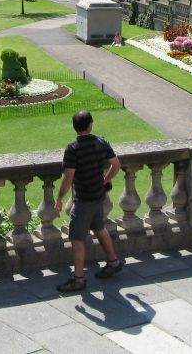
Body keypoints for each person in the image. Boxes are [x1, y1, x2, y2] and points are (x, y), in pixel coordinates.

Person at [54, 110, 123, 293]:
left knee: (77, 239)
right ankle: (114, 261)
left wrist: (59, 198)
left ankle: (78, 279)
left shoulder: (73, 148)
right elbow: (116, 165)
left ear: (74, 127)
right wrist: (105, 179)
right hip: (98, 195)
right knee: (99, 228)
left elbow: (68, 178)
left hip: (83, 199)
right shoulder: (101, 142)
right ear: (90, 125)